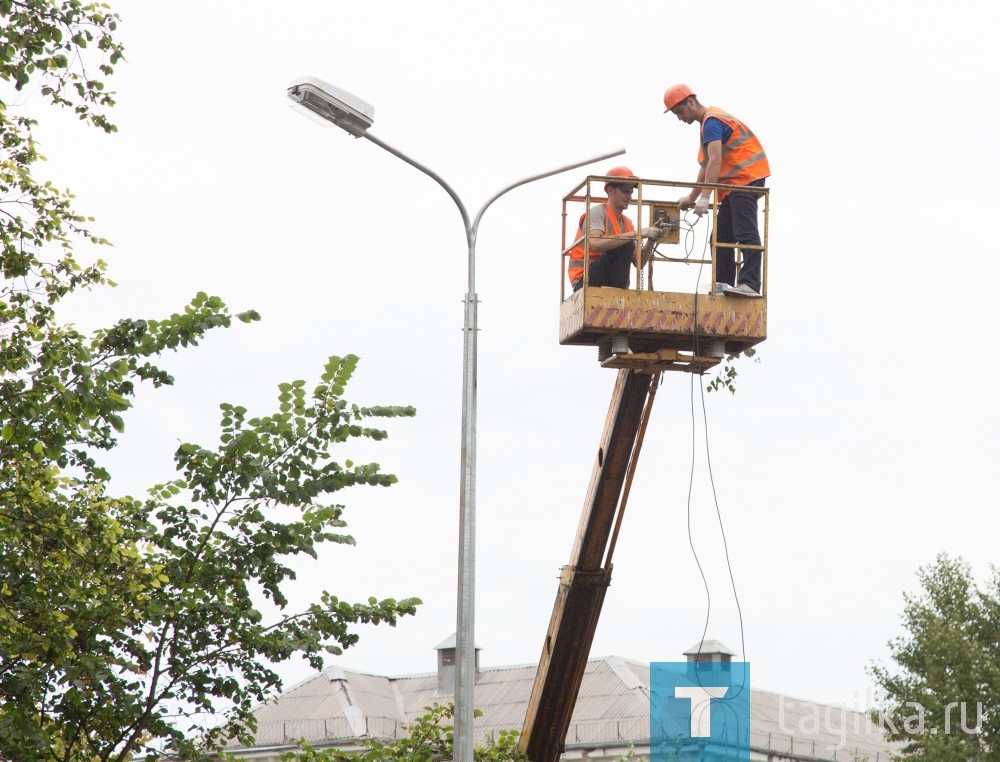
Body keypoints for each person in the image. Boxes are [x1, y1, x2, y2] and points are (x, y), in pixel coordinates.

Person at [663, 84, 770, 298]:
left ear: (691, 102)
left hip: (744, 179)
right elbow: (705, 166)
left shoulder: (712, 122)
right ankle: (723, 283)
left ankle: (750, 283)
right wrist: (692, 197)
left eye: (679, 112)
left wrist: (704, 197)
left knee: (745, 232)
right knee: (720, 236)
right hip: (734, 186)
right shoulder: (707, 125)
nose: (680, 118)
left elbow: (715, 162)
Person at [568, 166, 668, 292]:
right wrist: (638, 233)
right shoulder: (598, 212)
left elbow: (639, 263)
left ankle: (619, 292)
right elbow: (595, 244)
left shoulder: (627, 223)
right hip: (584, 280)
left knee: (627, 243)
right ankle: (618, 291)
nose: (629, 197)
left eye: (631, 192)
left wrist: (652, 239)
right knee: (626, 243)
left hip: (608, 280)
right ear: (610, 190)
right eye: (625, 191)